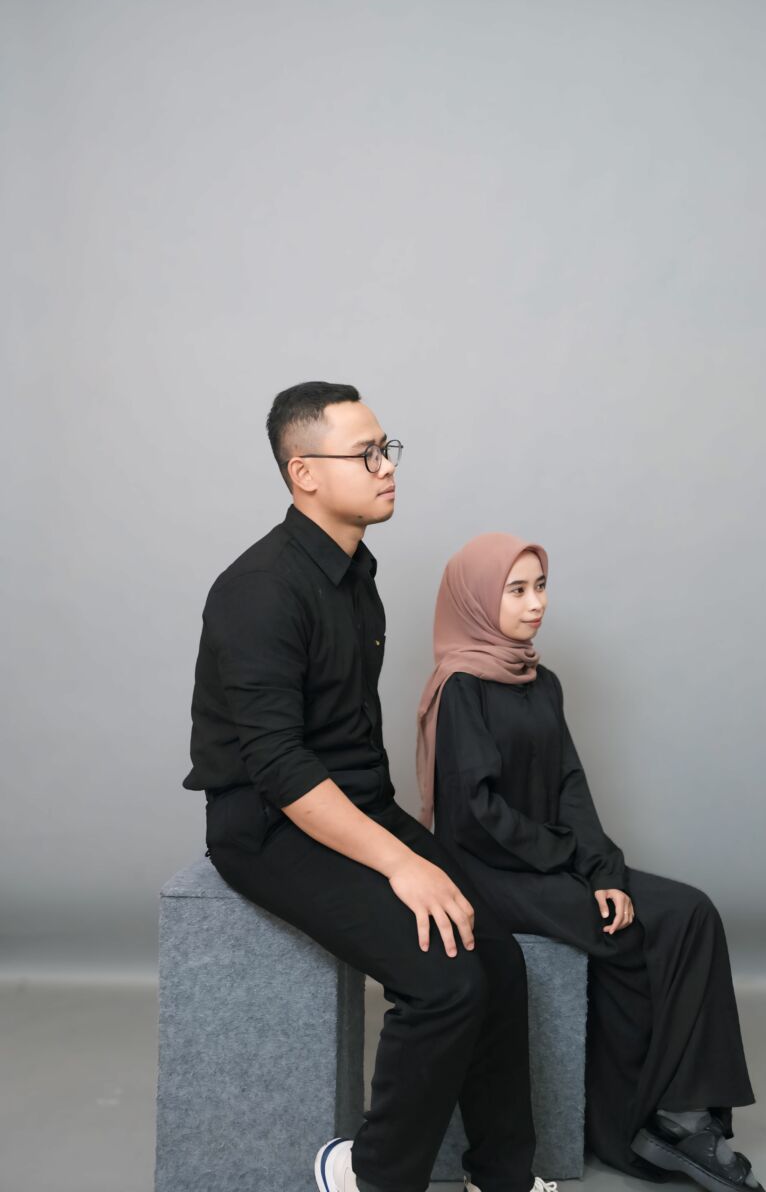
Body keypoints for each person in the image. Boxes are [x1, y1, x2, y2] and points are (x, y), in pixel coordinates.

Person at [182, 382, 558, 1192]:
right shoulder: (257, 590)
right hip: (268, 825)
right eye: (366, 454)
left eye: (387, 449)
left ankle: (502, 1177)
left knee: (495, 954)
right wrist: (401, 864)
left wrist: (402, 843)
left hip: (355, 804)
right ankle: (372, 1176)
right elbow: (281, 769)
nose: (387, 467)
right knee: (446, 984)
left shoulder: (355, 574)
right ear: (304, 473)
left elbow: (346, 748)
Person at [415, 531, 765, 1192]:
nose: (536, 604)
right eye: (516, 590)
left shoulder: (540, 682)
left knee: (692, 912)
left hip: (550, 858)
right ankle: (640, 1124)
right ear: (478, 600)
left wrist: (602, 870)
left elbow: (570, 786)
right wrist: (570, 860)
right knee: (624, 933)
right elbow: (474, 816)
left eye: (540, 586)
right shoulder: (460, 687)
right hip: (488, 874)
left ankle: (684, 1115)